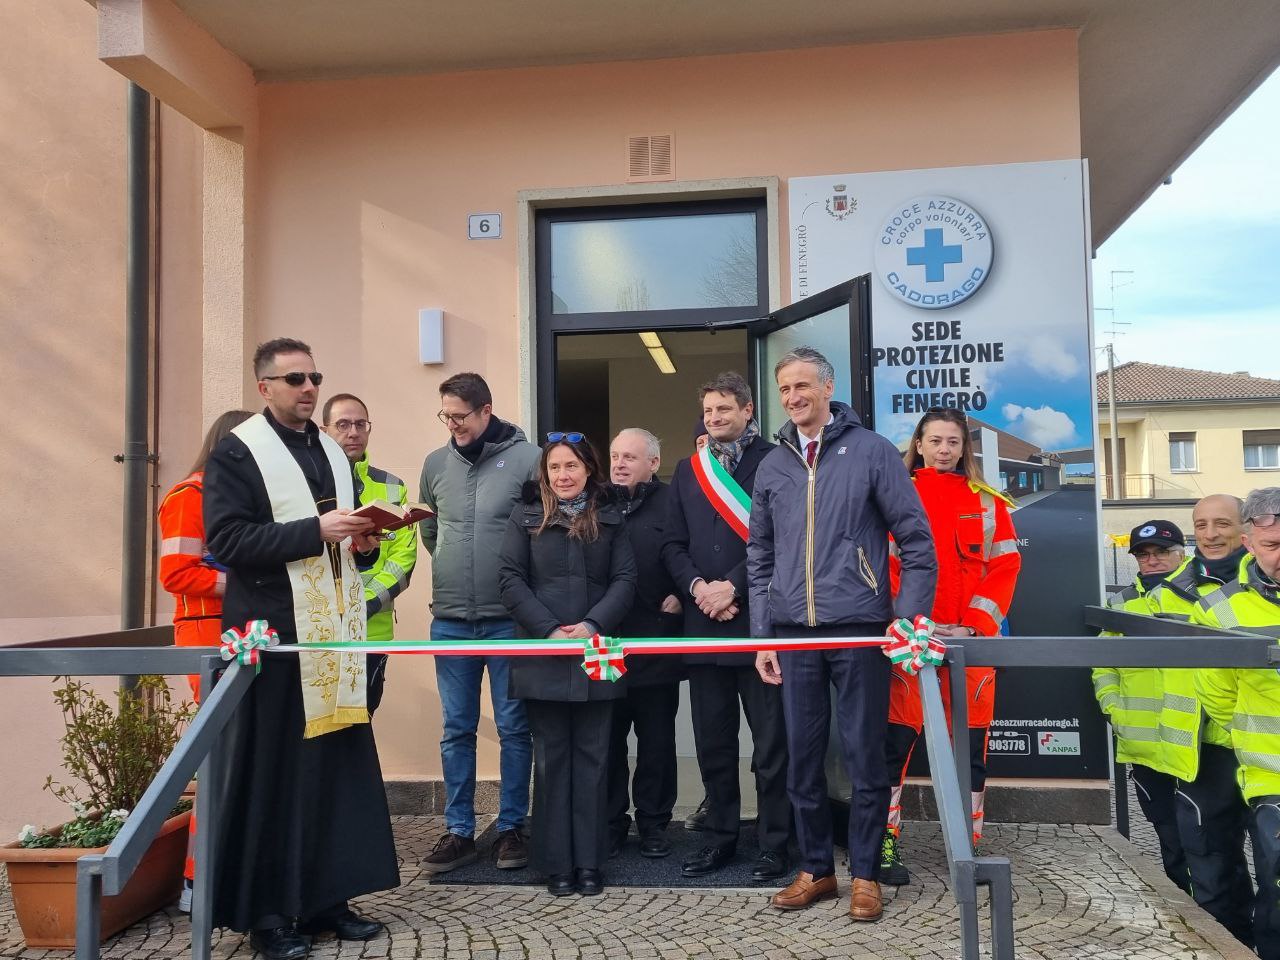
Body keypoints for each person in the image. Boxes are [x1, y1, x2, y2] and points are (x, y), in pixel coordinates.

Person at [203, 338, 398, 960]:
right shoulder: (239, 451)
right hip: (276, 638)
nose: (309, 387)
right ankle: (267, 915)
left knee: (332, 769)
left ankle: (325, 899)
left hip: (333, 636)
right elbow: (227, 540)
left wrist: (361, 541)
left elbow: (336, 542)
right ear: (264, 387)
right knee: (275, 774)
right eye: (294, 379)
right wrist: (315, 531)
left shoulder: (330, 451)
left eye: (314, 376)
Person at [751, 346, 935, 922]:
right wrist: (762, 636)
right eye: (785, 388)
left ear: (827, 388)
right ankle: (816, 869)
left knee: (863, 758)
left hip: (860, 628)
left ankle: (866, 874)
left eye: (803, 385)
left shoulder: (872, 451)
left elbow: (917, 542)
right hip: (794, 635)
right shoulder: (773, 464)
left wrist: (906, 620)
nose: (793, 397)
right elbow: (759, 555)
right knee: (802, 759)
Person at [880, 407, 1021, 885]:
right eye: (935, 441)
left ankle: (967, 846)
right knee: (893, 748)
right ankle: (884, 842)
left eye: (953, 442)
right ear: (918, 444)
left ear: (964, 449)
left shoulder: (988, 503)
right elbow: (884, 566)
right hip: (910, 647)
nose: (944, 450)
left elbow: (1004, 569)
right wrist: (909, 623)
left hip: (969, 650)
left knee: (971, 753)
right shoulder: (895, 494)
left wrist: (974, 627)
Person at [664, 372, 791, 881]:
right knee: (713, 743)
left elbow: (783, 538)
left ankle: (775, 843)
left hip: (758, 626)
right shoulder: (688, 469)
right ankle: (720, 838)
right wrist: (699, 588)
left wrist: (732, 587)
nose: (714, 418)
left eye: (724, 409)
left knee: (771, 745)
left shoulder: (776, 461)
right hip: (704, 626)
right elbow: (672, 543)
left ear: (747, 410)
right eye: (708, 411)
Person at [498, 432, 637, 896]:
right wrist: (550, 630)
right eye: (554, 467)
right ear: (545, 473)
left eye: (571, 466)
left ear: (588, 470)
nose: (563, 475)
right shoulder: (524, 515)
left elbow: (625, 579)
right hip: (544, 651)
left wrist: (595, 624)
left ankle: (591, 863)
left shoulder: (611, 516)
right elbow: (510, 579)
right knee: (552, 759)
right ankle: (557, 864)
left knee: (596, 758)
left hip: (600, 647)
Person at [418, 372, 539, 873]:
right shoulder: (435, 464)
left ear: (486, 411)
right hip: (450, 619)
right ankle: (459, 832)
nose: (452, 424)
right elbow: (430, 531)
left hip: (509, 620)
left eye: (460, 416)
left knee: (513, 727)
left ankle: (511, 828)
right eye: (445, 416)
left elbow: (541, 532)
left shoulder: (529, 460)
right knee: (456, 729)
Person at [1136, 495, 1254, 946]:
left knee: (1272, 860)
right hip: (1201, 750)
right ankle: (1227, 947)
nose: (1210, 534)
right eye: (1201, 524)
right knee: (1209, 861)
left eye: (1221, 523)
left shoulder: (1264, 581)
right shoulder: (1164, 594)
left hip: (1263, 746)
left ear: (1245, 528)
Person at [157, 407, 252, 912]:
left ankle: (234, 873)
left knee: (243, 757)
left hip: (245, 634)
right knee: (219, 756)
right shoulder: (187, 496)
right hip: (208, 637)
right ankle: (198, 881)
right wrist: (248, 586)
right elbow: (176, 573)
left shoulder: (235, 499)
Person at [1196, 487, 1280, 960]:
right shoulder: (1219, 609)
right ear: (1249, 543)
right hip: (1272, 778)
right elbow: (1218, 695)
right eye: (1272, 546)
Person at [1092, 519, 1197, 895]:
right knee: (1168, 836)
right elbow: (1103, 664)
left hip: (1196, 745)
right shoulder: (1121, 603)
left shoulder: (1205, 594)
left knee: (1208, 842)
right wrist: (1114, 709)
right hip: (1144, 744)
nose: (1152, 560)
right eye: (1143, 554)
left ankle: (1221, 920)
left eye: (1161, 552)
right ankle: (1185, 911)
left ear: (1182, 553)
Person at [606, 427, 684, 859]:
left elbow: (687, 553)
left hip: (657, 639)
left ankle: (654, 824)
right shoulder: (596, 502)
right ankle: (611, 823)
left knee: (656, 743)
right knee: (609, 740)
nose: (619, 464)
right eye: (615, 456)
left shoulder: (674, 502)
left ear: (653, 463)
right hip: (607, 644)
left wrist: (682, 595)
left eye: (630, 457)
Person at [323, 392, 417, 713]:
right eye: (343, 425)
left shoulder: (392, 486)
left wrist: (364, 605)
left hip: (371, 629)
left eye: (360, 424)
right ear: (324, 430)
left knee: (362, 722)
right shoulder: (307, 485)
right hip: (319, 628)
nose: (353, 432)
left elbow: (403, 559)